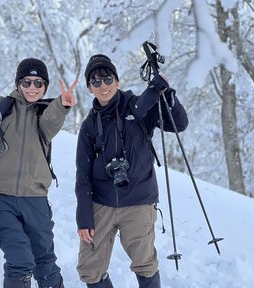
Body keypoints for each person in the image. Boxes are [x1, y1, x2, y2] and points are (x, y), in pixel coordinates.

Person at [75, 54, 188, 288]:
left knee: (145, 263)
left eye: (107, 79)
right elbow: (83, 175)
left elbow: (178, 124)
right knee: (90, 269)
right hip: (101, 203)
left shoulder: (140, 107)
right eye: (96, 82)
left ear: (117, 81)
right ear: (89, 88)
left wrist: (167, 95)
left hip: (138, 201)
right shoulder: (88, 126)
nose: (103, 86)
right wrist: (84, 217)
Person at [0, 57, 77, 288]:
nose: (32, 88)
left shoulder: (44, 115)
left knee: (45, 262)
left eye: (38, 83)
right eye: (27, 82)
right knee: (20, 258)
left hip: (35, 199)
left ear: (45, 86)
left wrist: (62, 104)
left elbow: (52, 119)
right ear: (18, 83)